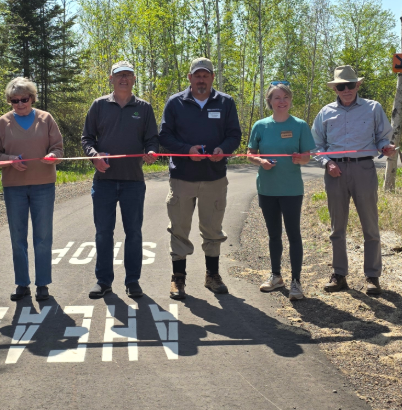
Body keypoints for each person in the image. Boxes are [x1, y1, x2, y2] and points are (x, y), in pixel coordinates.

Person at [158, 57, 242, 300]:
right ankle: (178, 278)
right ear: (190, 78)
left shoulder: (226, 102)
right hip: (182, 178)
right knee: (179, 228)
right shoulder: (175, 102)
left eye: (206, 75)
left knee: (213, 228)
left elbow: (234, 135)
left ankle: (212, 275)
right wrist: (187, 150)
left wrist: (223, 149)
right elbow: (165, 136)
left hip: (214, 177)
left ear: (212, 77)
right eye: (197, 75)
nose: (201, 80)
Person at [311, 65, 395, 296]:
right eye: (341, 86)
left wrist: (385, 147)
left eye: (350, 85)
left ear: (357, 85)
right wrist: (327, 163)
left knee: (370, 225)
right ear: (335, 89)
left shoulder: (373, 108)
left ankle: (372, 276)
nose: (346, 90)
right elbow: (315, 145)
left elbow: (382, 137)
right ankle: (339, 275)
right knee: (337, 227)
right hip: (334, 172)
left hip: (363, 169)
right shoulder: (325, 112)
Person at [81, 61, 159, 300]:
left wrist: (151, 152)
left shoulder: (144, 108)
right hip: (103, 181)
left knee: (133, 232)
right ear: (111, 79)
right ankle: (103, 281)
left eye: (128, 75)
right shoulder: (99, 105)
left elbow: (152, 140)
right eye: (119, 75)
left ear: (134, 79)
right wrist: (94, 157)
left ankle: (133, 281)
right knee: (103, 233)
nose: (123, 79)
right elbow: (87, 139)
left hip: (133, 181)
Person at [0, 77, 63, 302]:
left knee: (43, 236)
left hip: (44, 185)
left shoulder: (46, 119)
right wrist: (10, 160)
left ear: (32, 98)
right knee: (17, 237)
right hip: (14, 188)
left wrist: (53, 155)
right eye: (15, 100)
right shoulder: (3, 123)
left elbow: (58, 148)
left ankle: (43, 284)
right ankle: (22, 283)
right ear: (9, 101)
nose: (20, 104)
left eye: (24, 99)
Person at [246, 82, 316, 300]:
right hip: (267, 189)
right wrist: (261, 161)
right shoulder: (260, 126)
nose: (282, 101)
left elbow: (308, 156)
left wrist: (301, 158)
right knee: (274, 235)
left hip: (291, 189)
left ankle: (296, 282)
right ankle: (276, 276)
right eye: (277, 97)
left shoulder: (300, 125)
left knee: (294, 234)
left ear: (290, 100)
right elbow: (250, 154)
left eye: (285, 97)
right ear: (270, 101)